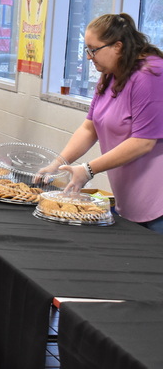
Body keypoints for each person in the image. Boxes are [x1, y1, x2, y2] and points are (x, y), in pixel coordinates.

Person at [48, 13, 163, 233]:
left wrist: (88, 169)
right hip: (129, 198)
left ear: (118, 46)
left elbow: (143, 142)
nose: (89, 57)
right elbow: (89, 127)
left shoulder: (150, 74)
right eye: (86, 50)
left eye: (93, 49)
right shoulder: (111, 73)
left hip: (157, 205)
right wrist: (58, 163)